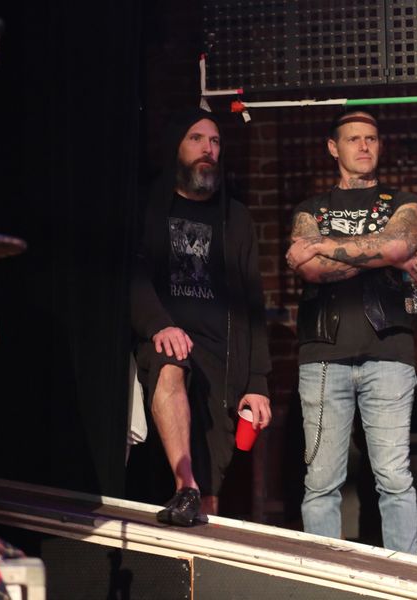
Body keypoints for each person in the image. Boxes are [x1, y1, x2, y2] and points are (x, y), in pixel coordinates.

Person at [286, 109, 417, 554]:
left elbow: (400, 243)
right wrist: (383, 257)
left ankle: (405, 575)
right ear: (334, 147)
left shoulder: (404, 203)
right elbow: (310, 270)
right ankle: (325, 580)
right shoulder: (310, 209)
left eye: (371, 138)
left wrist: (327, 245)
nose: (364, 146)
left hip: (389, 354)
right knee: (321, 480)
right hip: (324, 355)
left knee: (394, 478)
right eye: (353, 139)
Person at [131, 109, 272, 526]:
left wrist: (257, 384)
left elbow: (253, 303)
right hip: (165, 339)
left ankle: (196, 506)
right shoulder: (149, 207)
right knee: (171, 363)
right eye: (196, 139)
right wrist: (159, 324)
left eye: (214, 142)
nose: (208, 149)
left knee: (211, 495)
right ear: (176, 146)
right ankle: (185, 485)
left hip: (219, 359)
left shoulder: (236, 218)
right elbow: (131, 275)